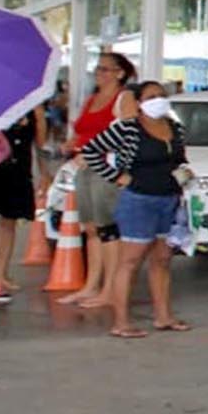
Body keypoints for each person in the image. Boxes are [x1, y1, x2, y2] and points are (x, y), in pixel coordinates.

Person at [80, 81, 192, 337]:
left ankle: (163, 316)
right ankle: (121, 322)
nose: (159, 100)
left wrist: (185, 172)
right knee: (130, 261)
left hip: (169, 199)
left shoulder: (175, 128)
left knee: (162, 260)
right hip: (139, 199)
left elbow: (180, 157)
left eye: (162, 95)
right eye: (152, 96)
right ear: (139, 103)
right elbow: (91, 150)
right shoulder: (127, 129)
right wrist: (118, 177)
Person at [64, 53, 139, 311]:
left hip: (106, 167)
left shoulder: (124, 98)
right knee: (91, 228)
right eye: (98, 69)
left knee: (107, 228)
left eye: (106, 70)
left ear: (119, 73)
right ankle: (91, 284)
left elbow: (129, 132)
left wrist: (98, 152)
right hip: (84, 167)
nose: (100, 74)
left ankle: (110, 288)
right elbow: (81, 132)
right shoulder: (91, 100)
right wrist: (73, 147)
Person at [0, 108, 41, 294]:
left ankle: (1, 273)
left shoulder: (33, 107)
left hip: (18, 168)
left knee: (9, 221)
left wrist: (44, 170)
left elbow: (39, 141)